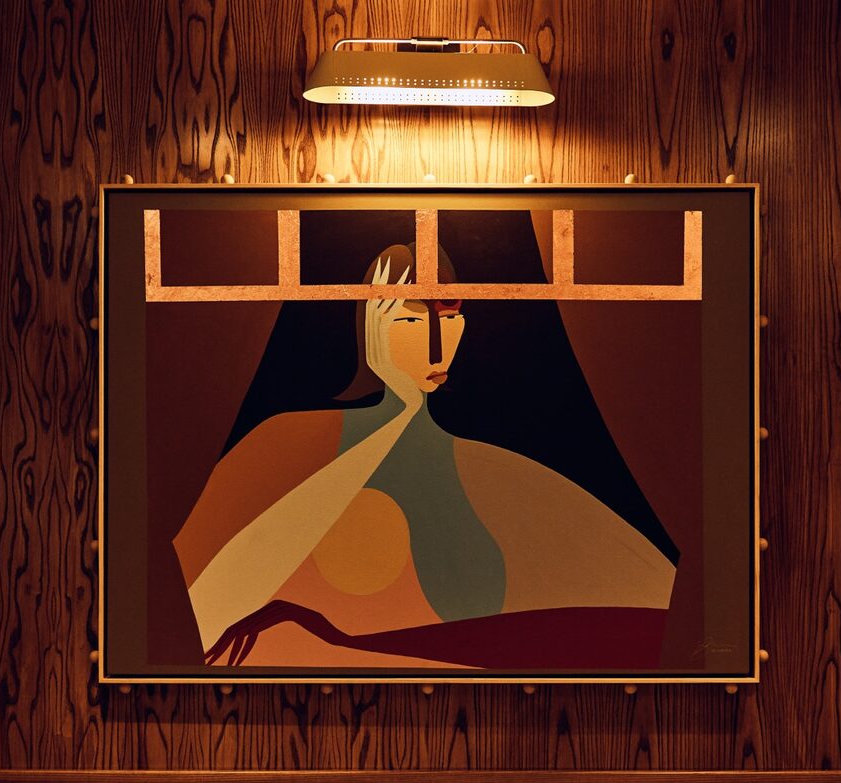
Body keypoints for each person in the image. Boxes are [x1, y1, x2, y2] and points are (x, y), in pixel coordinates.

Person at [173, 242, 676, 670]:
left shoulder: (492, 474)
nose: (439, 345)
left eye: (451, 318)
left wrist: (329, 645)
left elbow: (641, 604)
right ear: (370, 323)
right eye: (412, 320)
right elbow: (196, 601)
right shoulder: (284, 443)